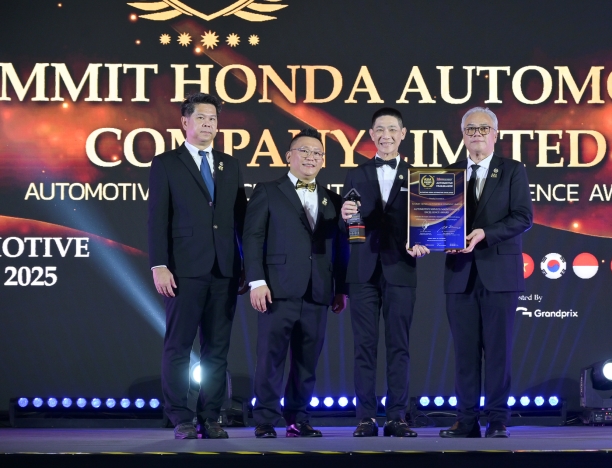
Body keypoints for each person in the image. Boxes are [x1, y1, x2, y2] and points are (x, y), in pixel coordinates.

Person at [148, 92, 247, 439]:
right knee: (179, 346)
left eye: (213, 119)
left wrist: (246, 267)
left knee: (217, 348)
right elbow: (157, 218)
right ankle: (180, 417)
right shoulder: (166, 163)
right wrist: (159, 264)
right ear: (185, 122)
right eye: (201, 118)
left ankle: (211, 416)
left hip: (225, 269)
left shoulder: (229, 165)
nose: (208, 124)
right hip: (183, 269)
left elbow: (240, 220)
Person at [243, 128, 348, 439]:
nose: (311, 157)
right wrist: (257, 281)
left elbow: (340, 248)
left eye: (317, 153)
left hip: (318, 291)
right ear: (289, 156)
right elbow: (252, 238)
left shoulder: (332, 199)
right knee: (270, 357)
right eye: (304, 151)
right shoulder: (267, 191)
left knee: (307, 362)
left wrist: (340, 288)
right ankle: (265, 418)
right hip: (277, 289)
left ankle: (298, 418)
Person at [439, 107, 533, 439]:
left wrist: (485, 234)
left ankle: (497, 420)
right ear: (463, 135)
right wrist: (438, 238)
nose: (477, 134)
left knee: (497, 353)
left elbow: (523, 217)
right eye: (470, 129)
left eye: (483, 128)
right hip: (459, 273)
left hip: (500, 273)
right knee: (464, 354)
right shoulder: (447, 175)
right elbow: (435, 222)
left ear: (496, 134)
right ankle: (466, 421)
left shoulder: (512, 171)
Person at [341, 108, 430, 438]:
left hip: (401, 268)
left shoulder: (418, 177)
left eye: (392, 129)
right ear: (371, 134)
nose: (386, 135)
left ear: (403, 134)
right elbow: (351, 229)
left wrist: (425, 241)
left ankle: (396, 417)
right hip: (362, 271)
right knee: (363, 346)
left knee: (399, 346)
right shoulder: (356, 174)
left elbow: (429, 223)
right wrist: (348, 218)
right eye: (380, 129)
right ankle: (365, 417)